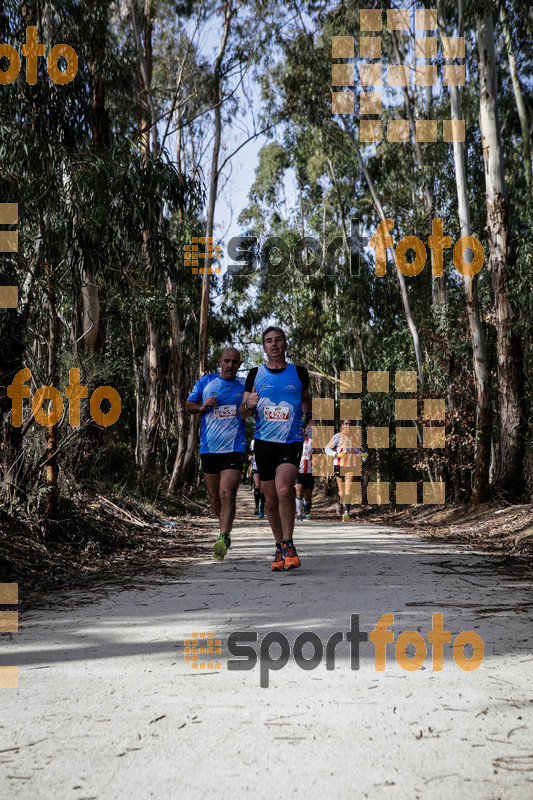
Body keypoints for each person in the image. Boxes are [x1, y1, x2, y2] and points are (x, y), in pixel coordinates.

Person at [239, 326, 312, 570]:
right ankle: (280, 547)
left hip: (290, 442)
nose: (274, 344)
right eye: (269, 341)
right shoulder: (254, 374)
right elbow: (243, 412)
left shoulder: (299, 373)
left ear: (285, 344)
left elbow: (306, 401)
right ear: (264, 347)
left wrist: (309, 422)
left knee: (283, 488)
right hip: (263, 444)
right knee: (270, 500)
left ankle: (289, 543)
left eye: (278, 340)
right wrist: (248, 404)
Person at [186, 347, 245, 560]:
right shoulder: (206, 382)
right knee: (214, 498)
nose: (230, 365)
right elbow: (188, 405)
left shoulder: (245, 385)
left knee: (227, 493)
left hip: (234, 448)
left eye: (234, 362)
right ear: (220, 361)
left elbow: (253, 407)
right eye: (227, 361)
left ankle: (222, 537)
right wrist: (202, 407)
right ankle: (225, 532)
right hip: (209, 448)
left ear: (239, 364)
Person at [325, 420, 367, 522]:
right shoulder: (338, 436)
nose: (348, 426)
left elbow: (358, 451)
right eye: (346, 424)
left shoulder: (356, 437)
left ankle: (346, 513)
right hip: (339, 465)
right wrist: (336, 454)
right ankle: (340, 503)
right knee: (342, 492)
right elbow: (327, 449)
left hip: (351, 465)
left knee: (349, 489)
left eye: (350, 424)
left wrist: (363, 455)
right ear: (342, 425)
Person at [295, 426, 314, 520]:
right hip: (298, 471)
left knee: (307, 495)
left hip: (309, 471)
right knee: (299, 491)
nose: (302, 431)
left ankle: (306, 509)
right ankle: (299, 514)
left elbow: (321, 451)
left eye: (303, 430)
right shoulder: (295, 441)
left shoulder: (311, 441)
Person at [249, 439, 265, 518]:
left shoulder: (267, 439)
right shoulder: (253, 442)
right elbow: (250, 452)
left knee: (263, 488)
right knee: (257, 485)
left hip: (265, 466)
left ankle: (262, 506)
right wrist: (250, 456)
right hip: (255, 466)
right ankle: (256, 507)